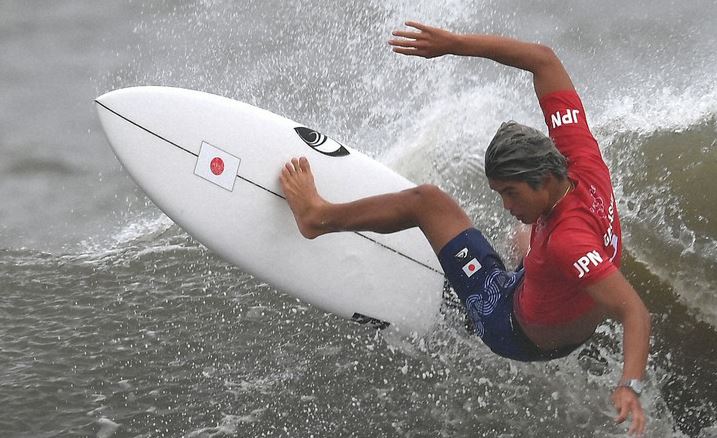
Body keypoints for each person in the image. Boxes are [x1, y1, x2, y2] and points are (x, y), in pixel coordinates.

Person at [279, 22, 651, 435]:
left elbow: (633, 310)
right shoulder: (581, 157)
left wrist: (628, 385)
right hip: (568, 316)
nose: (506, 205)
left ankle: (317, 218)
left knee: (428, 202)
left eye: (511, 193)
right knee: (524, 237)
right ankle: (518, 273)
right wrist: (454, 44)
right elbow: (542, 59)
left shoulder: (568, 241)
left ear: (543, 179)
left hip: (510, 327)